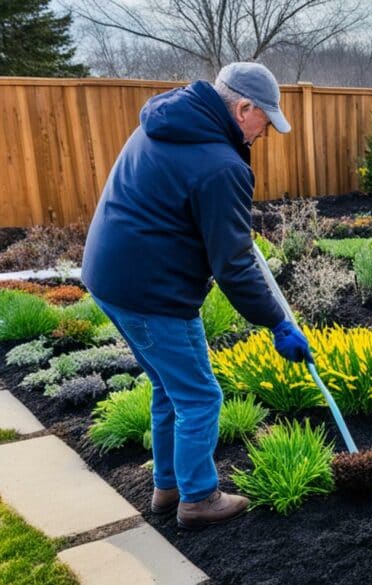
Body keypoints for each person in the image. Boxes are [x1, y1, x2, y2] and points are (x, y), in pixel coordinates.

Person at [81, 62, 312, 529]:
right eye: (264, 121)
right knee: (201, 396)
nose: (265, 133)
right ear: (243, 108)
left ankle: (169, 487)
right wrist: (277, 323)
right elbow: (234, 266)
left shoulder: (168, 122)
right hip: (150, 290)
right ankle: (199, 499)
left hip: (112, 276)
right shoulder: (220, 164)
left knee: (171, 387)